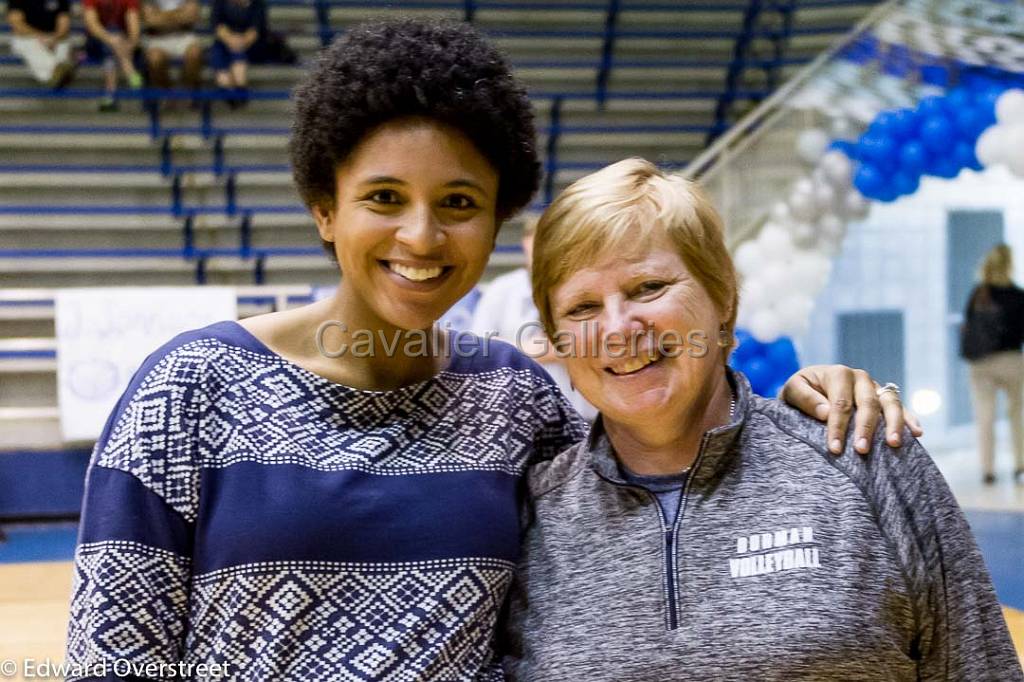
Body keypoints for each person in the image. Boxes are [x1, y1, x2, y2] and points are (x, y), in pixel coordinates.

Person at [65, 20, 916, 679]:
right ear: (326, 208)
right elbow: (115, 655)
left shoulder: (515, 398)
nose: (422, 235)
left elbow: (655, 473)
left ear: (498, 221)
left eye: (460, 202)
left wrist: (802, 394)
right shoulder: (191, 389)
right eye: (384, 198)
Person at [504, 159, 1021, 680]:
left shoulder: (864, 457)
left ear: (723, 295)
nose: (617, 328)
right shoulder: (531, 518)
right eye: (583, 308)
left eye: (648, 287)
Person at [471, 216, 598, 421]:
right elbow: (475, 350)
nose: (543, 253)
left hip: (584, 415)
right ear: (525, 243)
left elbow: (597, 346)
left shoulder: (588, 287)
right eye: (537, 243)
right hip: (518, 414)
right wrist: (539, 349)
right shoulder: (501, 290)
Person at [960, 243, 1024, 485]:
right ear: (1009, 264)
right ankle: (1020, 465)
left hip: (981, 363)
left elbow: (967, 325)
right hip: (1012, 360)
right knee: (1016, 414)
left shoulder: (979, 294)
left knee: (985, 416)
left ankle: (988, 470)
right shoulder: (1018, 295)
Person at [83, 0, 144, 112]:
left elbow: (134, 29)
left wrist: (130, 44)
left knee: (112, 43)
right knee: (112, 35)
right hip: (96, 41)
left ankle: (109, 95)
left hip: (122, 43)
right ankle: (131, 73)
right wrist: (111, 39)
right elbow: (92, 26)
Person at [209, 0, 267, 107]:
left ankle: (240, 89)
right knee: (219, 57)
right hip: (224, 43)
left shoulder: (257, 4)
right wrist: (230, 40)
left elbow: (255, 31)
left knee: (238, 55)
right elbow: (217, 26)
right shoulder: (220, 3)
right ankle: (229, 91)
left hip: (249, 46)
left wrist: (241, 42)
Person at [6, 0, 75, 89]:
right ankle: (57, 68)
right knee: (30, 46)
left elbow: (64, 24)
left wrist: (54, 38)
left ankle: (51, 76)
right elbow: (16, 24)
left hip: (54, 37)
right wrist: (40, 36)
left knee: (64, 43)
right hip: (27, 37)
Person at [140, 0, 203, 94]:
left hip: (184, 36)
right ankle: (168, 93)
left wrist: (159, 14)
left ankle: (186, 92)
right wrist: (179, 13)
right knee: (154, 59)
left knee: (195, 53)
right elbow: (150, 21)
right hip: (157, 38)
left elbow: (191, 16)